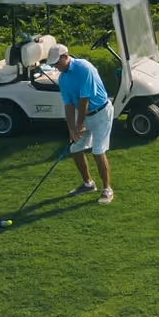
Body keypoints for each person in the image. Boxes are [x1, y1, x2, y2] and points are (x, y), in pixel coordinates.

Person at [50, 42, 114, 204]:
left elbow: (84, 100)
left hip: (101, 113)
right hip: (86, 115)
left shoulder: (84, 68)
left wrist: (79, 126)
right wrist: (71, 129)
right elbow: (69, 104)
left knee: (98, 151)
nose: (56, 67)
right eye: (53, 65)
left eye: (57, 63)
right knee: (75, 148)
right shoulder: (63, 78)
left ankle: (107, 189)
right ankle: (88, 184)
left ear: (65, 56)